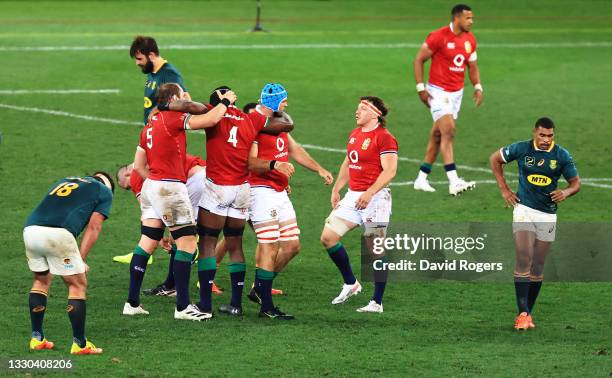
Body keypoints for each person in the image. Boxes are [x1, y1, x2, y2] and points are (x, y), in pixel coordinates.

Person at [163, 84, 294, 317]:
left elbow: (188, 106)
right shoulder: (250, 119)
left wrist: (164, 104)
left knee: (206, 244)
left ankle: (204, 305)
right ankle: (235, 303)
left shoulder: (212, 113)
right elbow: (286, 124)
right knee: (235, 245)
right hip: (242, 189)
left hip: (218, 188)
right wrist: (273, 106)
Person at [122, 83, 235, 321]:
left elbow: (139, 166)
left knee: (146, 244)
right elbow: (210, 120)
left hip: (151, 186)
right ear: (174, 98)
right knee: (187, 244)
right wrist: (225, 102)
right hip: (169, 187)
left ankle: (132, 302)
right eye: (183, 94)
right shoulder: (172, 116)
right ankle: (182, 307)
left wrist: (155, 183)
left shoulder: (149, 125)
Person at [247, 92, 334, 319]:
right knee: (269, 246)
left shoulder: (280, 126)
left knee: (292, 246)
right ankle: (266, 306)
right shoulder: (256, 125)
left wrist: (319, 169)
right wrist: (275, 165)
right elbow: (250, 162)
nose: (287, 104)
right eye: (283, 101)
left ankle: (259, 289)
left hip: (279, 192)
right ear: (273, 102)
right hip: (260, 191)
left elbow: (296, 151)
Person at [489, 117, 580, 330]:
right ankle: (523, 313)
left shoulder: (562, 155)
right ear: (534, 133)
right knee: (524, 257)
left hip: (547, 215)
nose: (547, 139)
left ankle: (527, 313)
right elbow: (495, 159)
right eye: (542, 135)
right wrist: (504, 189)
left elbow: (576, 183)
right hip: (524, 209)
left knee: (538, 265)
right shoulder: (521, 149)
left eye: (550, 136)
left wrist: (566, 192)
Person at [319, 97, 398, 313]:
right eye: (358, 108)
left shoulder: (385, 138)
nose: (357, 112)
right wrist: (337, 188)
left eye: (362, 109)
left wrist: (370, 192)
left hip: (376, 199)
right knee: (328, 237)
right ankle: (351, 283)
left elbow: (390, 171)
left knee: (375, 249)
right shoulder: (355, 134)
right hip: (354, 196)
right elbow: (349, 161)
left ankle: (376, 302)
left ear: (375, 114)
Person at [24, 172, 114, 355]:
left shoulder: (68, 180)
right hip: (58, 234)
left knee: (41, 280)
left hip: (31, 230)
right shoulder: (104, 191)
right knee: (77, 284)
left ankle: (36, 338)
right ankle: (80, 345)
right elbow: (94, 226)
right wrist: (80, 258)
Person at [116, 154, 216, 297]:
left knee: (182, 237)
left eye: (127, 187)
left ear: (127, 173)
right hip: (210, 178)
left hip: (194, 184)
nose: (130, 187)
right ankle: (173, 284)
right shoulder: (156, 155)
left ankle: (175, 289)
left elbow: (149, 213)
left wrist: (159, 236)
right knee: (208, 235)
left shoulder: (136, 174)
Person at [412, 4, 483, 196]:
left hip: (456, 94)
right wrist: (421, 88)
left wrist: (477, 86)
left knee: (438, 135)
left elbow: (472, 66)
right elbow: (419, 59)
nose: (471, 21)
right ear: (457, 18)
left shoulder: (470, 40)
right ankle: (454, 181)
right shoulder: (438, 36)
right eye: (468, 18)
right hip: (437, 92)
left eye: (472, 18)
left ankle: (421, 179)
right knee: (449, 130)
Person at [129, 35, 191, 125]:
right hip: (153, 131)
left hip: (164, 131)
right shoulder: (152, 71)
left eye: (139, 59)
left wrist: (158, 109)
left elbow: (186, 101)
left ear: (151, 55)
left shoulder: (169, 73)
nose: (137, 63)